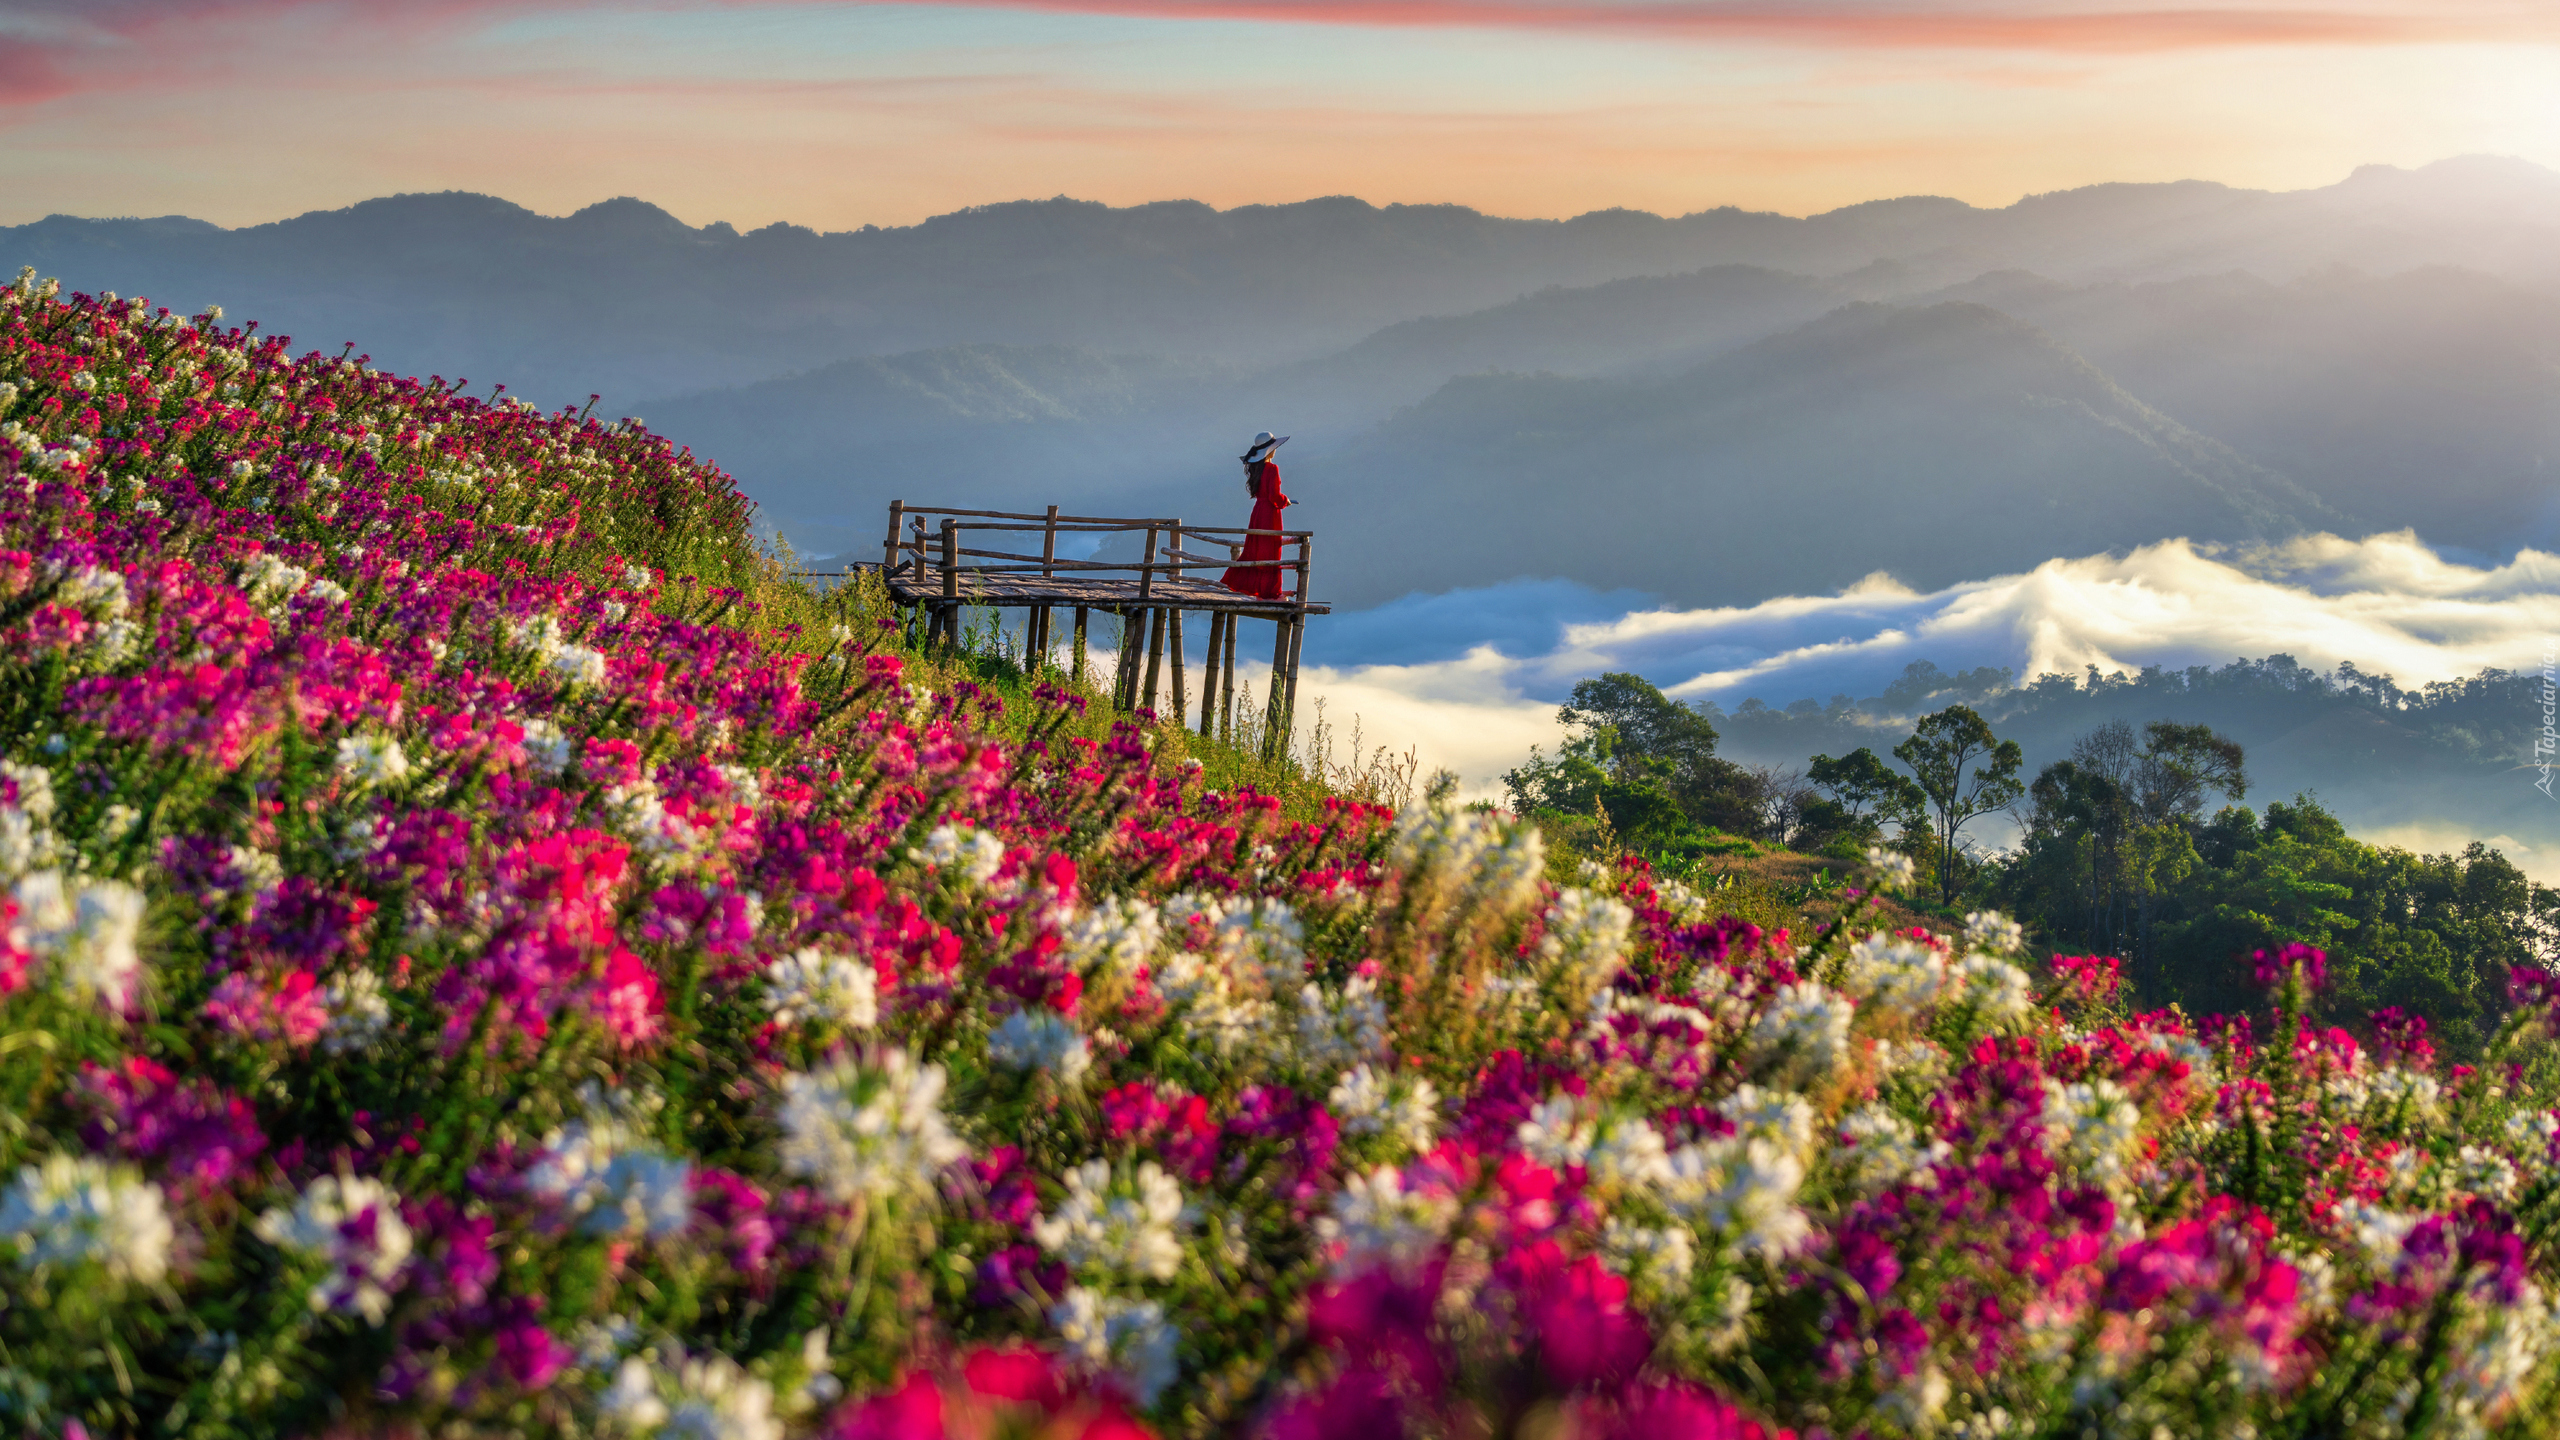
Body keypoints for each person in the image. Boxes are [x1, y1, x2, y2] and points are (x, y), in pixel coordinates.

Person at [1220, 430, 1291, 599]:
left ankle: (1254, 587)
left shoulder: (1257, 469)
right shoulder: (1272, 468)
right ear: (1270, 450)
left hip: (1258, 512)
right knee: (1271, 551)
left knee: (1256, 549)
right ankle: (1271, 592)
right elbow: (1274, 496)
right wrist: (1285, 500)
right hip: (1270, 514)